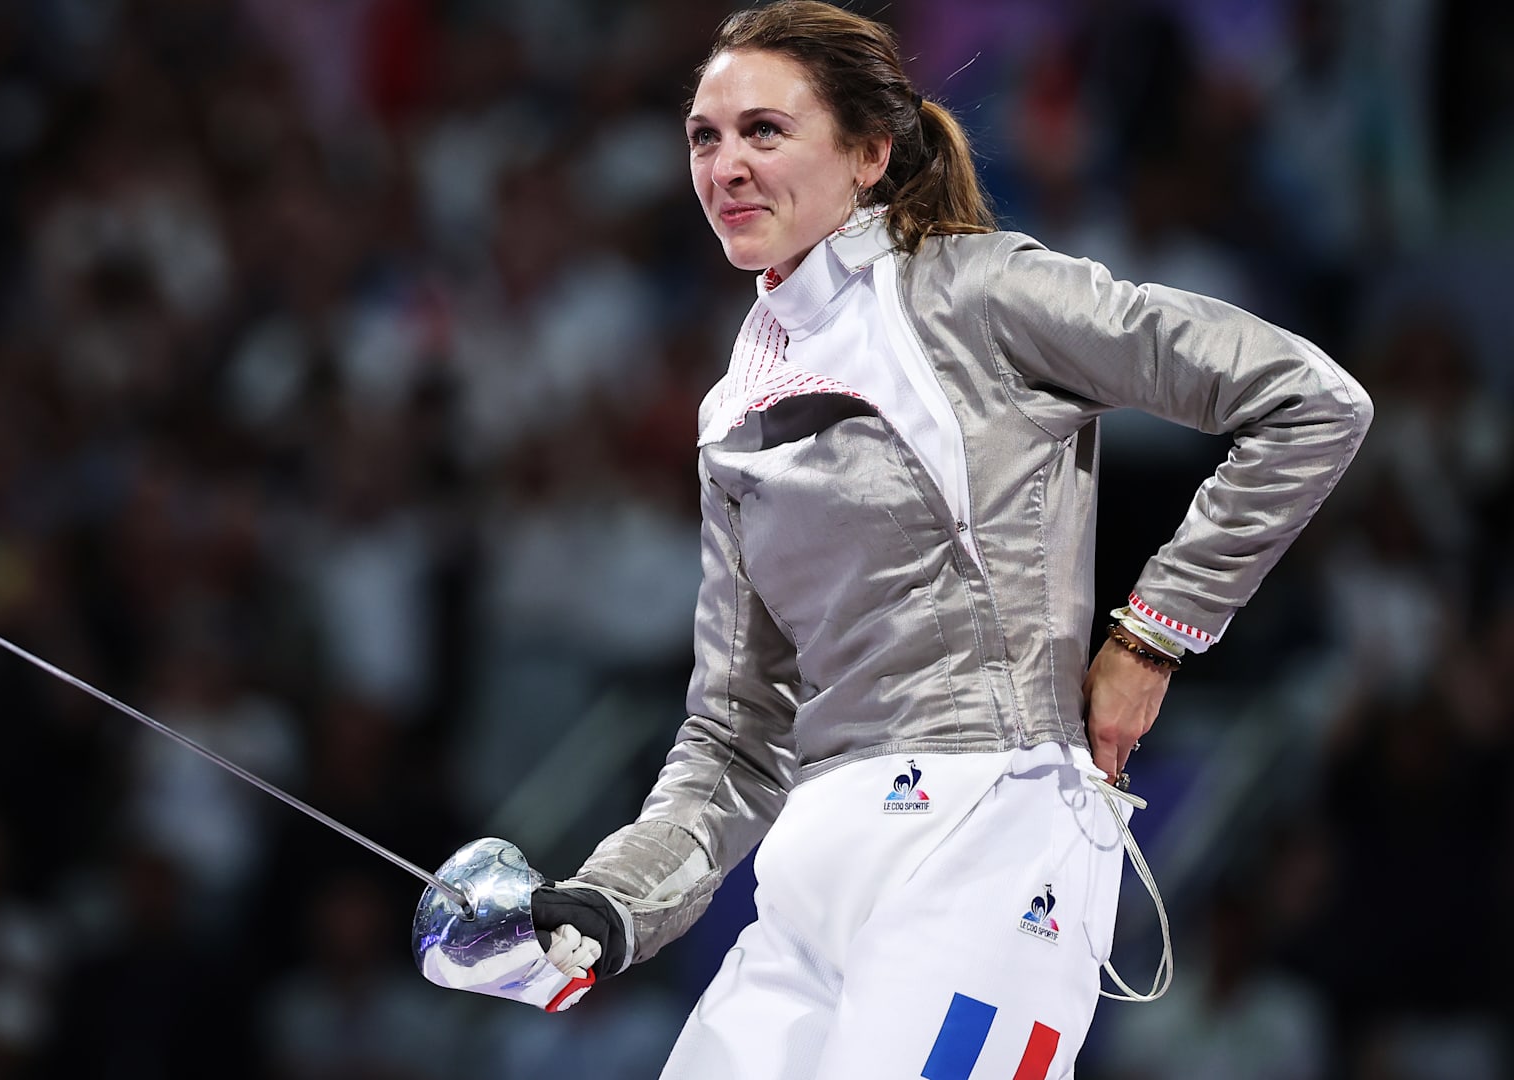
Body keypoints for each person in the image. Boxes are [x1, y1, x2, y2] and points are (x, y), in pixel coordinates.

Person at [518, 2, 1372, 1078]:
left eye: (764, 131)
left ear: (869, 153)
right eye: (705, 137)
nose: (725, 165)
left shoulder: (980, 292)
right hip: (812, 874)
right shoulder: (734, 405)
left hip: (992, 840)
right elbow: (735, 736)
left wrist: (1154, 634)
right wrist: (610, 900)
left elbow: (1309, 400)